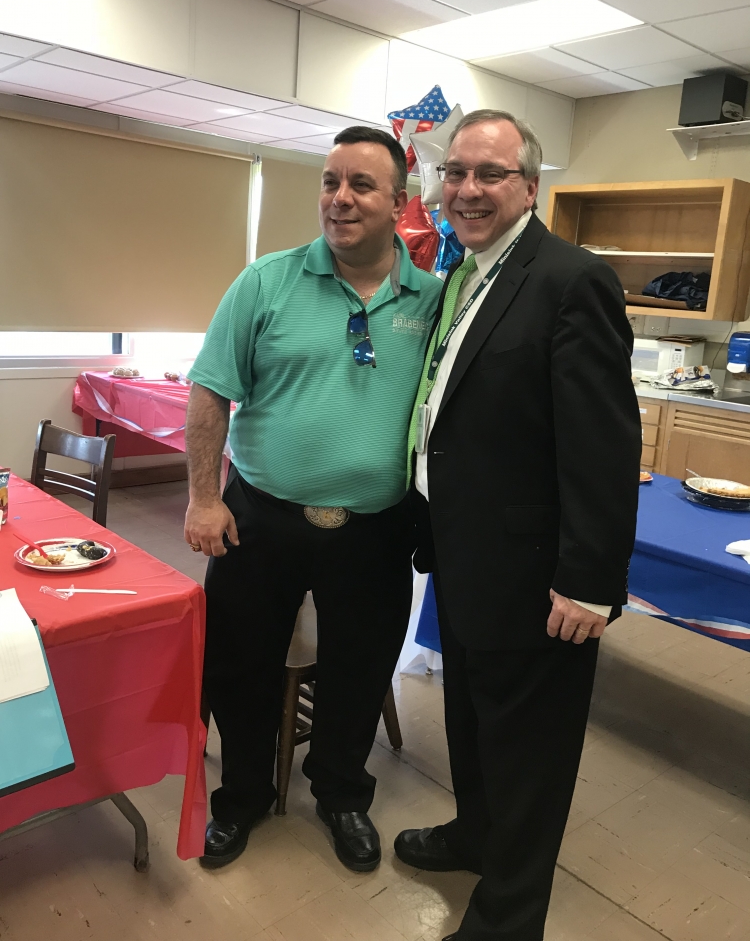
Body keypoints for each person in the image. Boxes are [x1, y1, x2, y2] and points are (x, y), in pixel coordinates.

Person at [394, 110, 641, 941]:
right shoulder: (467, 275)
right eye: (455, 172)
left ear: (529, 187)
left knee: (529, 753)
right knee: (472, 721)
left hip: (539, 577)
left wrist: (590, 581)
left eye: (489, 174)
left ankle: (508, 916)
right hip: (466, 560)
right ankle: (474, 834)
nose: (465, 189)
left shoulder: (572, 280)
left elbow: (603, 447)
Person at [185, 127, 442, 872]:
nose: (340, 198)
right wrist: (205, 498)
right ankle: (238, 799)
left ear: (399, 203)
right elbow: (210, 393)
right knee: (241, 665)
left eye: (361, 185)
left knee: (361, 668)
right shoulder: (266, 281)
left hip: (377, 529)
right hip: (260, 516)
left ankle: (340, 795)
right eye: (330, 182)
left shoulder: (433, 300)